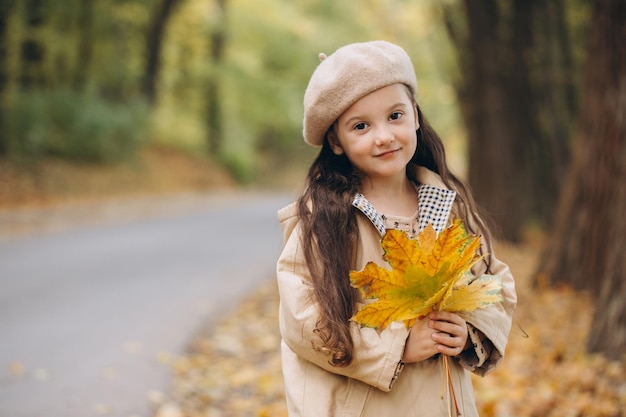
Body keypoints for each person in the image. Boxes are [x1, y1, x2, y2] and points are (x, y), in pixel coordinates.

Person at [276, 40, 517, 417]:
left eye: (395, 116)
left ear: (415, 117)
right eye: (361, 126)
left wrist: (469, 330)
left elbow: (492, 283)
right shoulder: (325, 221)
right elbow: (302, 321)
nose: (384, 135)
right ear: (336, 141)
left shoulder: (447, 204)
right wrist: (397, 346)